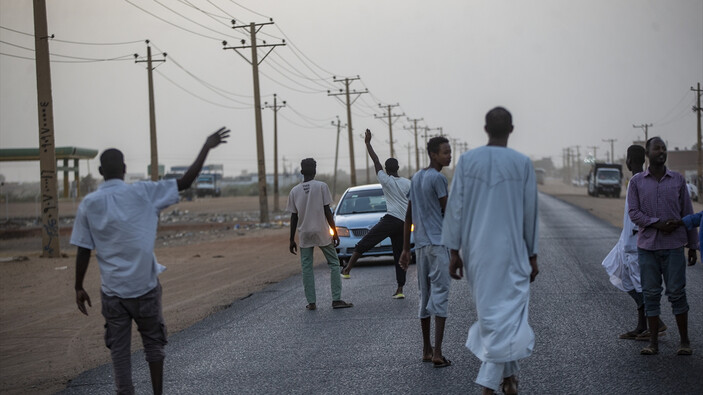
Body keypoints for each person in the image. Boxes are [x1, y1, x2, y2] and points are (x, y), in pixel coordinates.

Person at [71, 127, 230, 395]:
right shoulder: (144, 192)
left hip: (112, 293)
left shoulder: (89, 203)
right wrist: (206, 146)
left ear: (100, 172)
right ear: (124, 168)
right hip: (145, 286)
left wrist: (78, 286)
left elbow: (83, 249)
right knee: (153, 345)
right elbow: (185, 182)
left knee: (119, 353)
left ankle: (126, 391)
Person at [442, 107, 538, 395]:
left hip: (478, 253)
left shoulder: (468, 161)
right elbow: (529, 213)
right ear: (511, 129)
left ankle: (508, 379)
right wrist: (532, 255)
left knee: (492, 317)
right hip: (513, 253)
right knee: (506, 317)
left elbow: (455, 208)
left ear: (485, 129)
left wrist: (454, 252)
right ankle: (489, 383)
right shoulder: (522, 163)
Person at [628, 136, 698, 356]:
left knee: (677, 293)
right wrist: (656, 224)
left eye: (664, 148)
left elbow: (688, 214)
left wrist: (693, 246)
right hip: (647, 247)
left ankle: (684, 342)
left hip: (674, 246)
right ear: (647, 154)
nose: (661, 151)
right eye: (656, 148)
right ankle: (653, 344)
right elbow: (634, 213)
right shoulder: (637, 182)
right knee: (650, 294)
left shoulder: (677, 180)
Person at [601, 145, 666, 340]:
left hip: (636, 242)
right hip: (626, 240)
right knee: (615, 268)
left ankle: (656, 324)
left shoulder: (641, 181)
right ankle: (641, 326)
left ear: (629, 160)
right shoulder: (635, 181)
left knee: (640, 284)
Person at [399, 136, 452, 368]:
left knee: (425, 297)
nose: (449, 155)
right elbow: (448, 212)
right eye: (445, 152)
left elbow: (408, 215)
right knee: (440, 295)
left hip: (420, 246)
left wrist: (405, 248)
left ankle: (426, 349)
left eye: (449, 152)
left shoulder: (417, 178)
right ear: (433, 154)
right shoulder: (438, 178)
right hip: (439, 245)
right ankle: (438, 351)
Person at [341, 129, 412, 299]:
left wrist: (367, 143)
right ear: (398, 168)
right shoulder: (408, 183)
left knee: (366, 241)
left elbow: (375, 160)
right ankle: (400, 290)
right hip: (403, 223)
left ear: (386, 170)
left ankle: (347, 269)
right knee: (398, 255)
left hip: (391, 219)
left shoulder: (385, 179)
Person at [287, 158, 354, 311]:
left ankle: (311, 302)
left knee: (307, 268)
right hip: (322, 231)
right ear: (315, 170)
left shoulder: (294, 191)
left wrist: (291, 239)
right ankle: (336, 299)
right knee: (334, 263)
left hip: (304, 233)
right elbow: (327, 211)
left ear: (302, 171)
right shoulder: (322, 187)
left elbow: (294, 216)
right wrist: (335, 232)